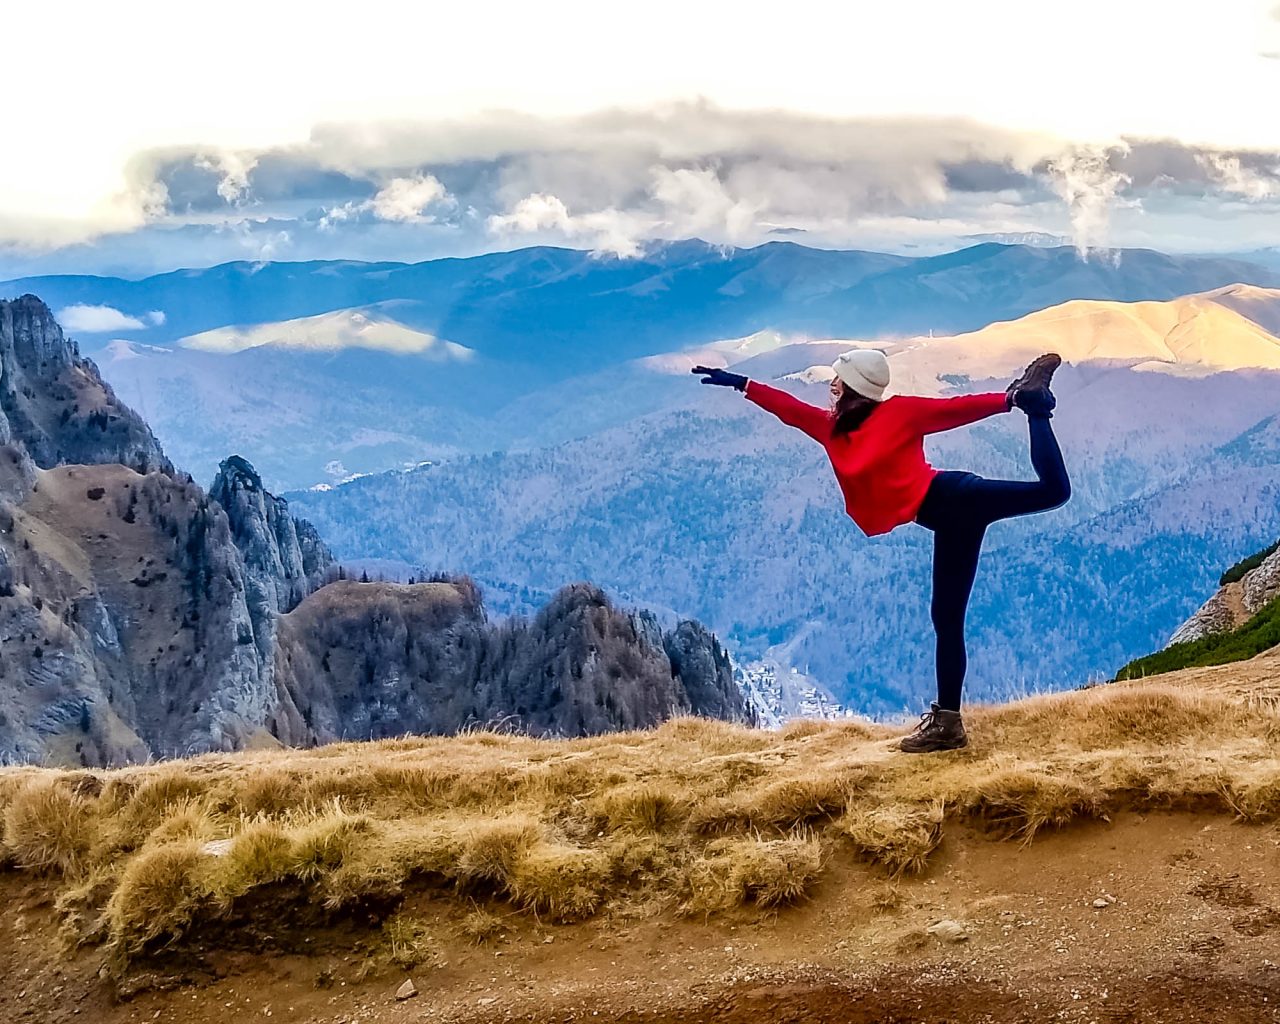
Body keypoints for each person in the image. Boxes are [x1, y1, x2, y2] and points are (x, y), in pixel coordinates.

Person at [691, 349, 1069, 752]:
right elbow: (790, 409)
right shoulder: (832, 428)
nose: (830, 384)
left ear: (853, 387)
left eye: (837, 378)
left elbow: (953, 410)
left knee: (1053, 491)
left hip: (961, 500)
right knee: (945, 617)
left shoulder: (900, 414)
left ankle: (1035, 406)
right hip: (949, 515)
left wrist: (1010, 401)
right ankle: (947, 722)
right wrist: (744, 384)